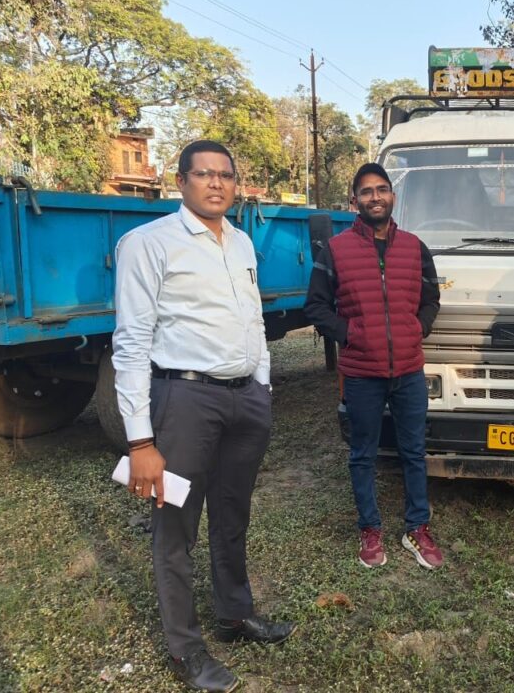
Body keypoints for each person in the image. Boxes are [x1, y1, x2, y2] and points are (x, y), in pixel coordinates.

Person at [113, 140, 295, 692]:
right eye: (204, 174)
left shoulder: (240, 242)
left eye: (226, 175)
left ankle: (234, 614)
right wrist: (140, 442)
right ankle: (185, 649)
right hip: (185, 400)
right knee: (176, 528)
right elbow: (131, 342)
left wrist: (262, 382)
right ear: (181, 181)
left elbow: (253, 318)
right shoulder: (148, 243)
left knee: (233, 514)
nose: (216, 184)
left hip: (245, 399)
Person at [304, 162, 443, 570]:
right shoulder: (336, 250)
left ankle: (417, 527)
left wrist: (417, 328)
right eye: (366, 191)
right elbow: (316, 306)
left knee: (414, 451)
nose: (375, 197)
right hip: (362, 373)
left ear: (392, 196)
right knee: (363, 454)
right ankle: (370, 527)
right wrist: (351, 334)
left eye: (381, 189)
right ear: (355, 201)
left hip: (409, 371)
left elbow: (431, 298)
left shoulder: (415, 247)